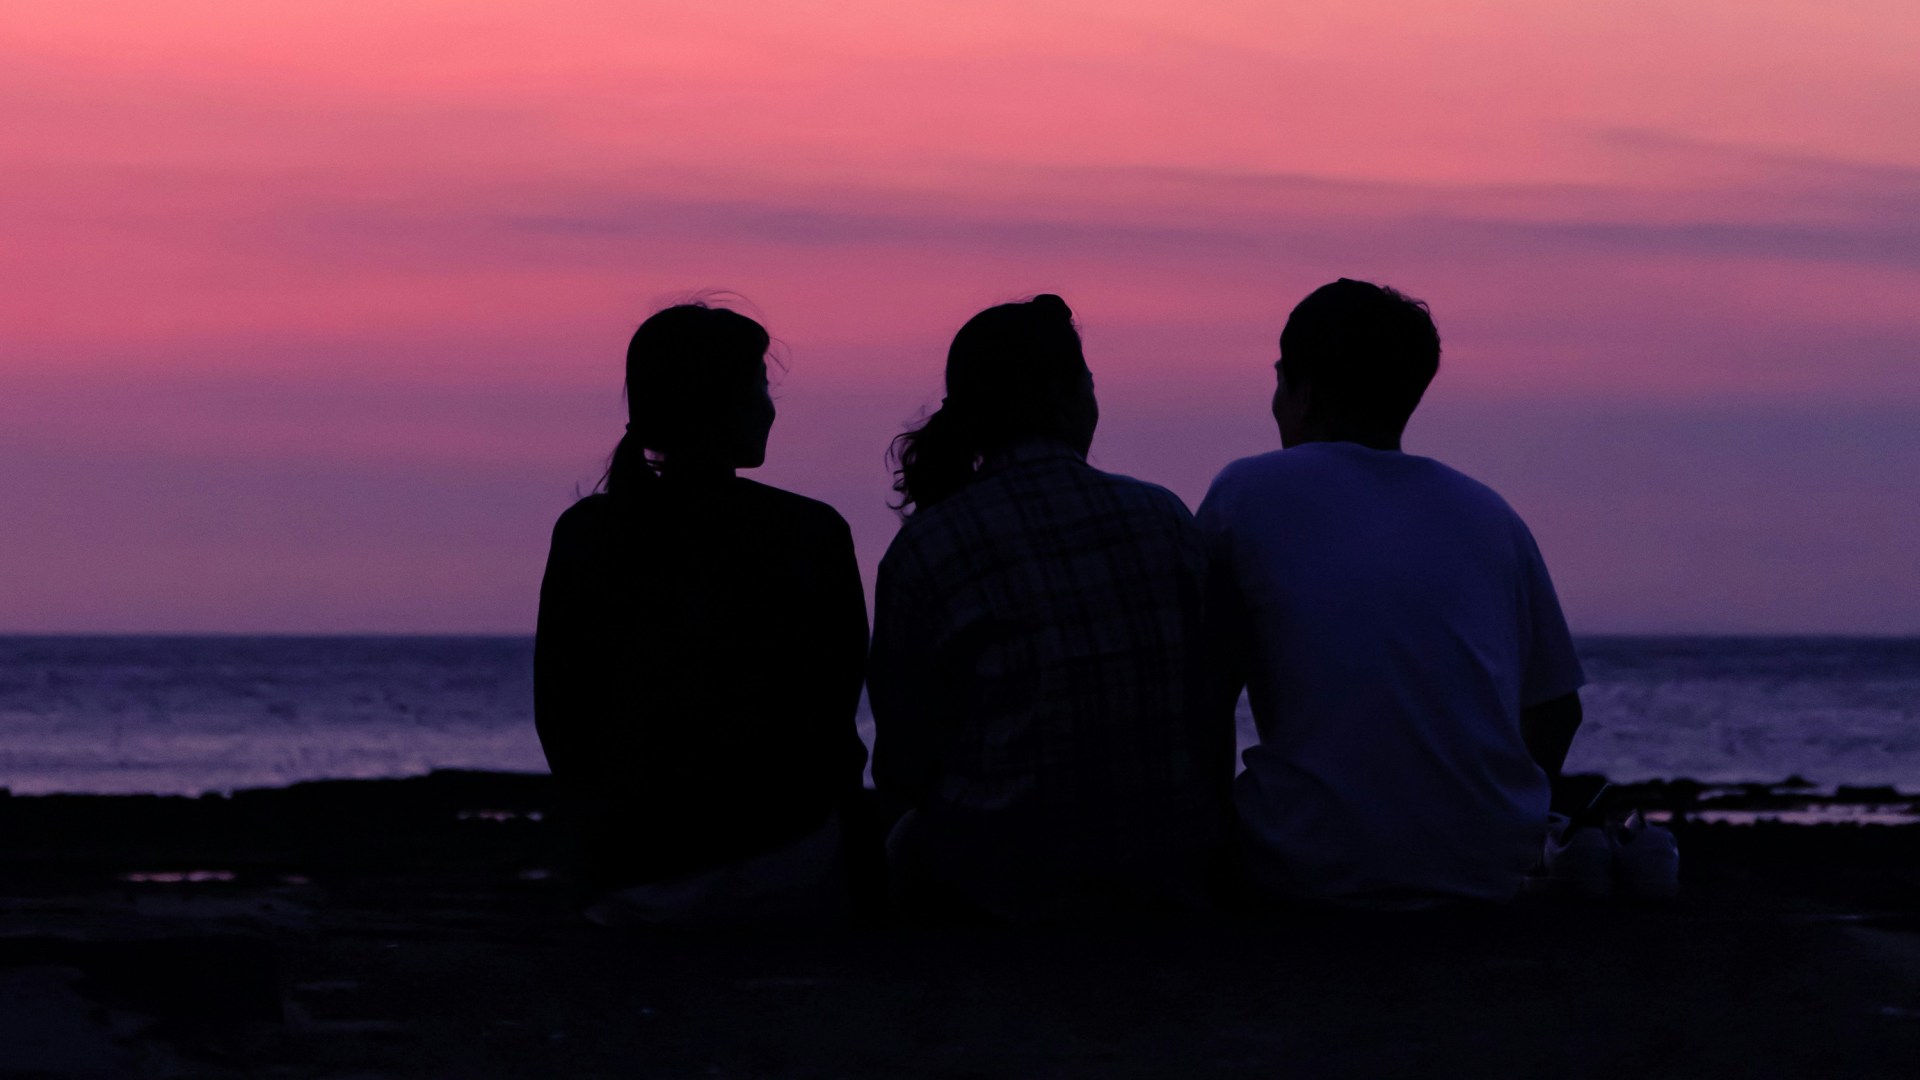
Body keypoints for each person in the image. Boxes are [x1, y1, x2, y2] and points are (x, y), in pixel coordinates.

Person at [1196, 278, 1585, 910]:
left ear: (1302, 387)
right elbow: (1556, 708)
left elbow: (1201, 691)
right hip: (1490, 869)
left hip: (1307, 862)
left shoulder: (1248, 493)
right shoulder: (1489, 513)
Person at [869, 295, 1233, 921]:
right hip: (1163, 873)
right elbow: (1209, 706)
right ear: (1071, 398)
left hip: (999, 886)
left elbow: (904, 757)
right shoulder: (1164, 518)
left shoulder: (927, 548)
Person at [534, 302, 869, 926]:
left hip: (633, 875)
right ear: (727, 400)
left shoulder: (589, 533)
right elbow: (834, 714)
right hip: (788, 860)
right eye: (760, 386)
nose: (770, 406)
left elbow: (563, 717)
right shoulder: (810, 532)